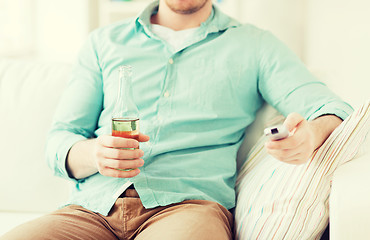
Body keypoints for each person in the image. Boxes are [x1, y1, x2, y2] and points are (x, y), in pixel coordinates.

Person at [1, 0, 353, 239]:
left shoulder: (255, 45)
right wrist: (94, 154)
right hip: (91, 210)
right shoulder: (104, 43)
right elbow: (60, 140)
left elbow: (332, 108)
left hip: (188, 209)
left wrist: (311, 136)